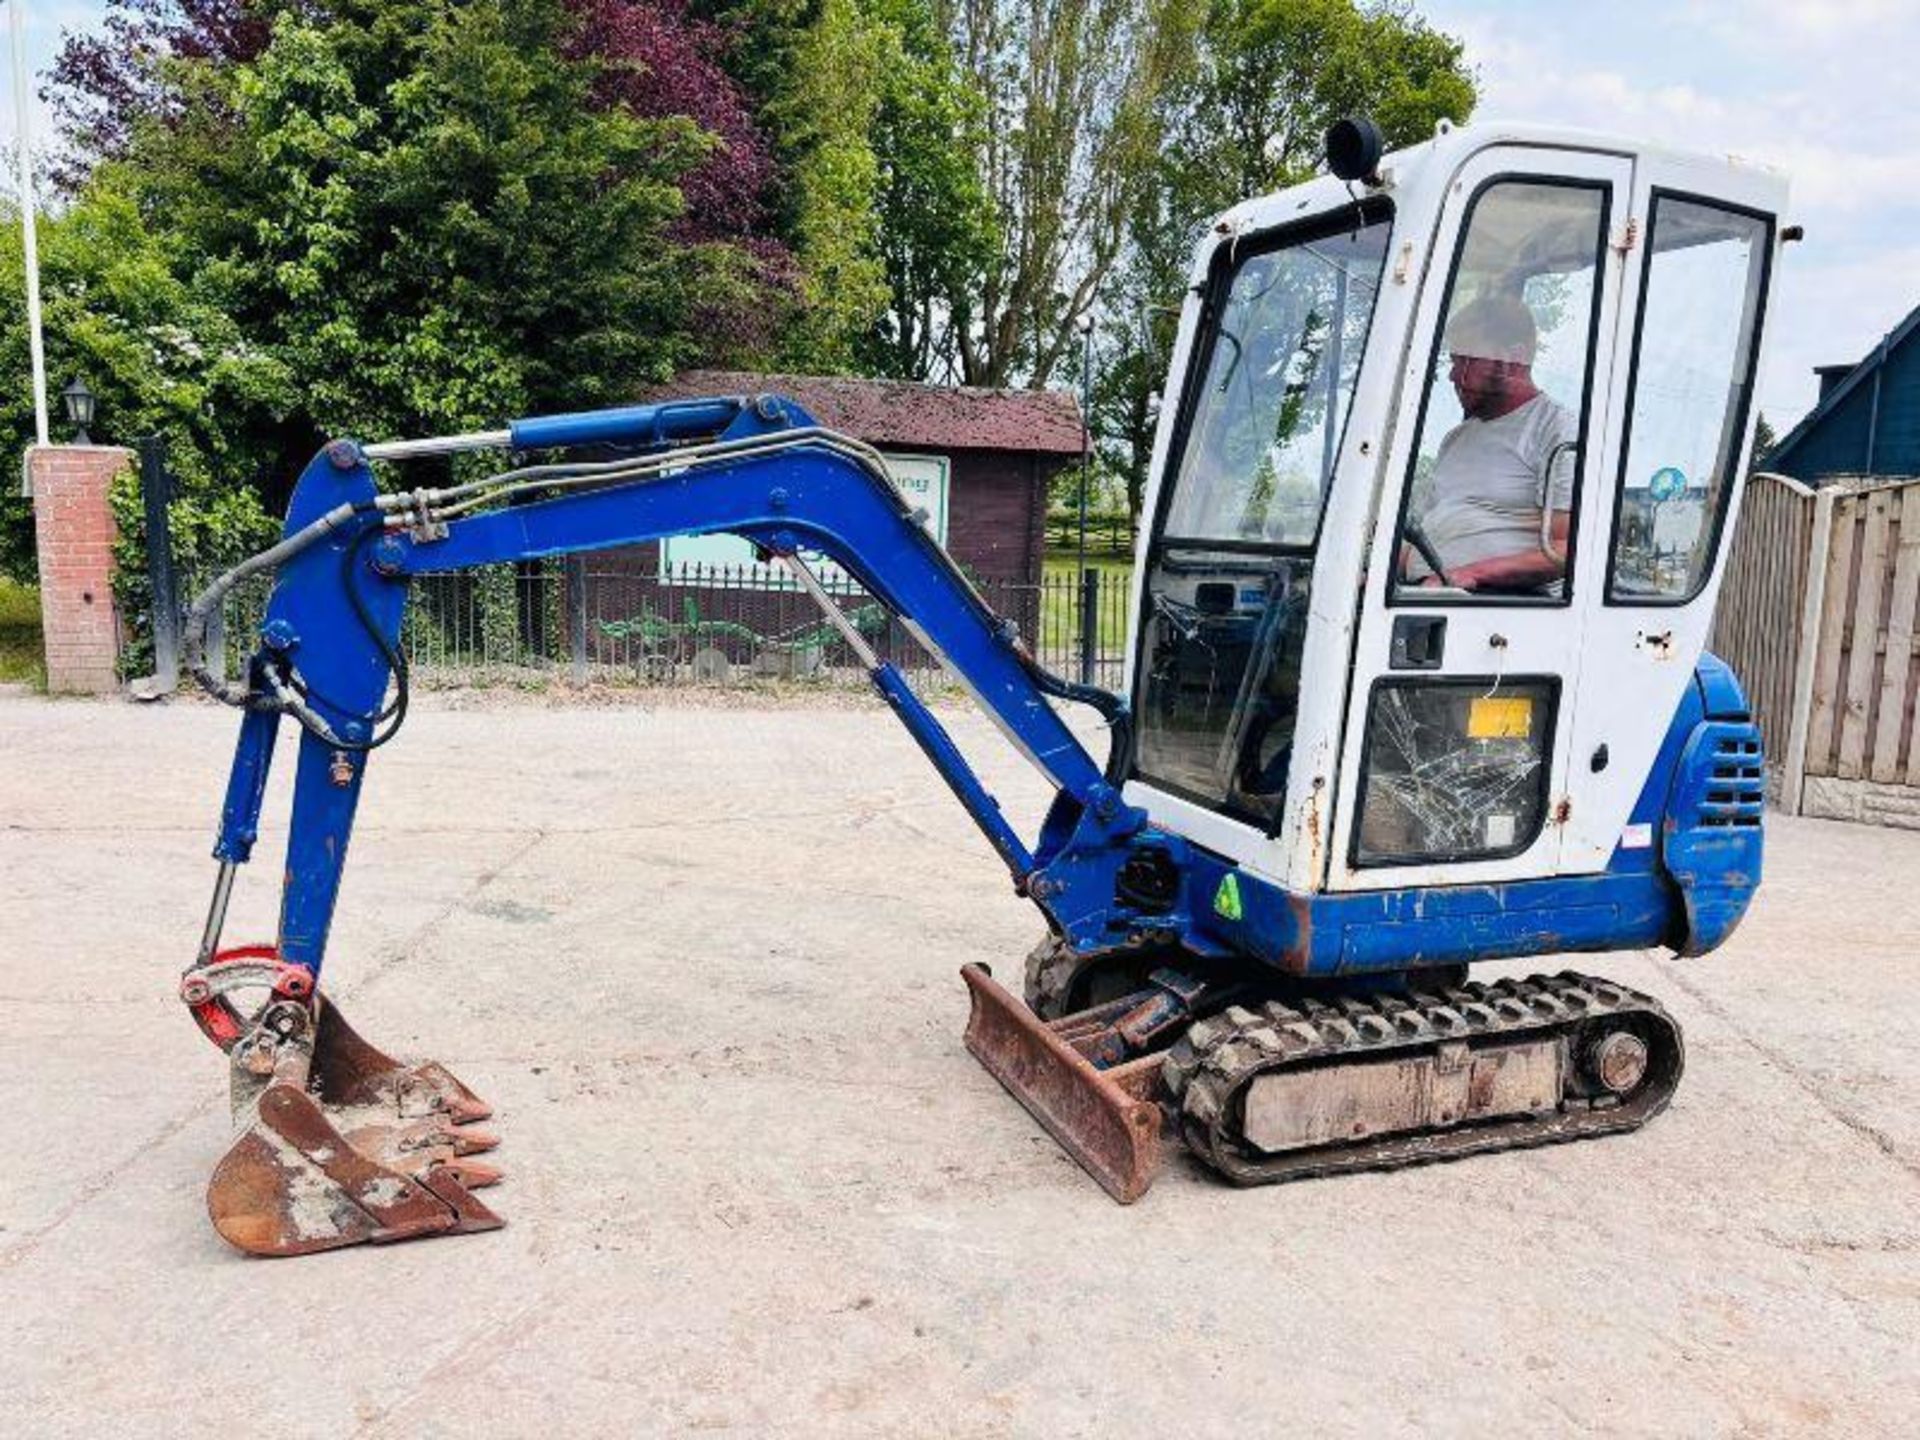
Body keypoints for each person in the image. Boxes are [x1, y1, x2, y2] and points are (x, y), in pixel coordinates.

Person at [1402, 293, 1576, 593]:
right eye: (1453, 361)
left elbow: (1565, 548)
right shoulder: (1456, 439)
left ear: (1513, 358)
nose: (1453, 375)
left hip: (1496, 605)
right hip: (1430, 593)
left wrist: (1471, 574)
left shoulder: (1556, 429)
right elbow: (1426, 534)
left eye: (1465, 361)